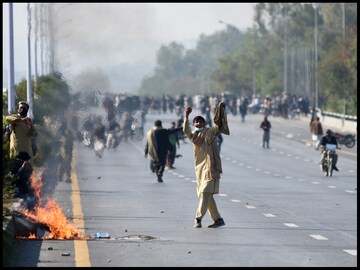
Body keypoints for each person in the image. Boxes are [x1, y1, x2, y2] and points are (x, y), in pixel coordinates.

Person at [183, 101, 229, 229]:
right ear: (193, 124)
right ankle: (218, 219)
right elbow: (185, 130)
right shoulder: (193, 136)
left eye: (201, 121)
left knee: (205, 193)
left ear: (204, 123)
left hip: (211, 167)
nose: (198, 123)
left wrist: (221, 109)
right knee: (207, 196)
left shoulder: (210, 132)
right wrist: (186, 116)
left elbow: (218, 124)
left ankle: (198, 218)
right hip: (200, 169)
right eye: (196, 122)